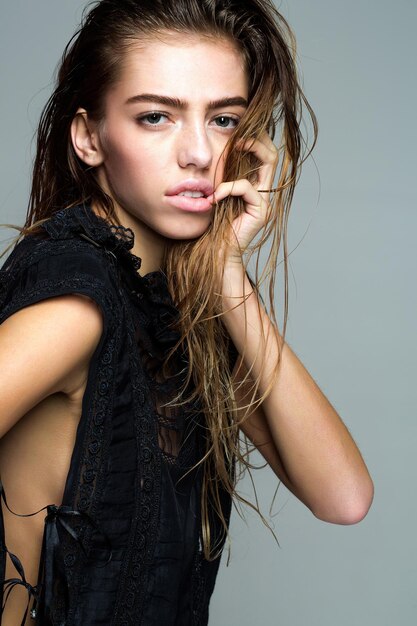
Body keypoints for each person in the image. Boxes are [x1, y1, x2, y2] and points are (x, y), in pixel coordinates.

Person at [0, 0, 374, 624]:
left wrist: (227, 276)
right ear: (89, 137)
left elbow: (344, 496)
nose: (199, 153)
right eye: (155, 117)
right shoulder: (77, 308)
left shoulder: (170, 303)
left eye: (224, 119)